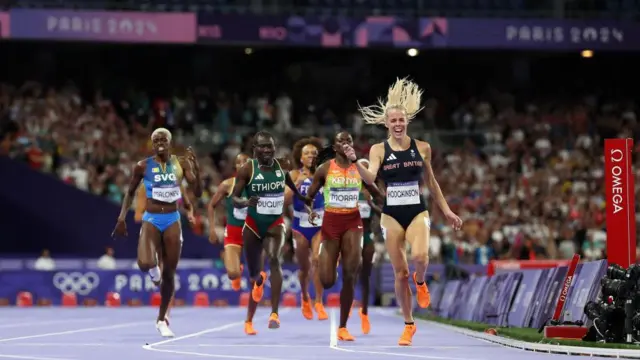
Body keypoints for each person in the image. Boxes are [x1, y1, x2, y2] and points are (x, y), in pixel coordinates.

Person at [345, 78, 462, 346]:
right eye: (393, 121)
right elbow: (371, 177)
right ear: (386, 124)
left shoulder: (422, 148)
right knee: (401, 273)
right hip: (391, 215)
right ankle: (409, 325)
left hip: (417, 212)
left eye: (401, 120)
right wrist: (354, 162)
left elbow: (432, 183)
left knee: (421, 256)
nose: (397, 124)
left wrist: (448, 212)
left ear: (407, 121)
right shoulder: (377, 150)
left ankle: (422, 282)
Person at [112, 128, 202, 338]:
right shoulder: (143, 166)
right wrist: (121, 218)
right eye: (156, 139)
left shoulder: (181, 163)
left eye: (163, 138)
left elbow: (197, 192)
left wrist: (196, 171)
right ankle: (154, 273)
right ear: (152, 143)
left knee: (170, 272)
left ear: (170, 142)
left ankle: (162, 320)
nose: (160, 141)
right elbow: (130, 192)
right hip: (151, 218)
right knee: (145, 263)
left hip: (172, 219)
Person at [304, 131, 383, 342]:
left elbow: (376, 192)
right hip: (331, 222)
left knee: (351, 272)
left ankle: (343, 326)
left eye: (349, 141)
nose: (346, 144)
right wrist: (310, 211)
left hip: (352, 222)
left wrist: (393, 204)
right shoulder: (324, 169)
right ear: (335, 146)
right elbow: (309, 197)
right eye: (341, 141)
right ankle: (327, 260)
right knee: (327, 281)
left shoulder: (359, 168)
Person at [230, 131, 302, 335]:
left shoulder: (281, 166)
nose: (267, 150)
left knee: (274, 259)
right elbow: (235, 197)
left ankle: (274, 314)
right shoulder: (247, 169)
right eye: (262, 146)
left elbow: (289, 183)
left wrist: (302, 198)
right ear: (255, 149)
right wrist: (245, 202)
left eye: (270, 146)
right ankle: (257, 280)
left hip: (275, 224)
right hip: (253, 225)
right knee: (254, 273)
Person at [285, 137, 328, 321]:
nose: (310, 155)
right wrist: (297, 184)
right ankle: (304, 296)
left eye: (314, 153)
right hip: (300, 226)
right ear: (300, 158)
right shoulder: (294, 175)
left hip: (319, 224)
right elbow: (284, 201)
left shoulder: (325, 174)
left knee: (317, 260)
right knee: (304, 266)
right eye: (307, 153)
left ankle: (319, 302)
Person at [207, 152, 251, 291]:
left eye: (246, 161)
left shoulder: (259, 186)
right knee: (232, 274)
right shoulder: (227, 184)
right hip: (234, 232)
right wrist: (212, 229)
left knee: (258, 272)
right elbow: (211, 205)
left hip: (253, 232)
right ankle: (236, 268)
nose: (243, 164)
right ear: (235, 166)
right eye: (239, 162)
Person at [356, 159, 381, 335]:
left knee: (365, 276)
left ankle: (364, 313)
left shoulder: (373, 191)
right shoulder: (349, 189)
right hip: (350, 236)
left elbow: (386, 212)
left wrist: (371, 204)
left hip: (367, 235)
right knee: (351, 273)